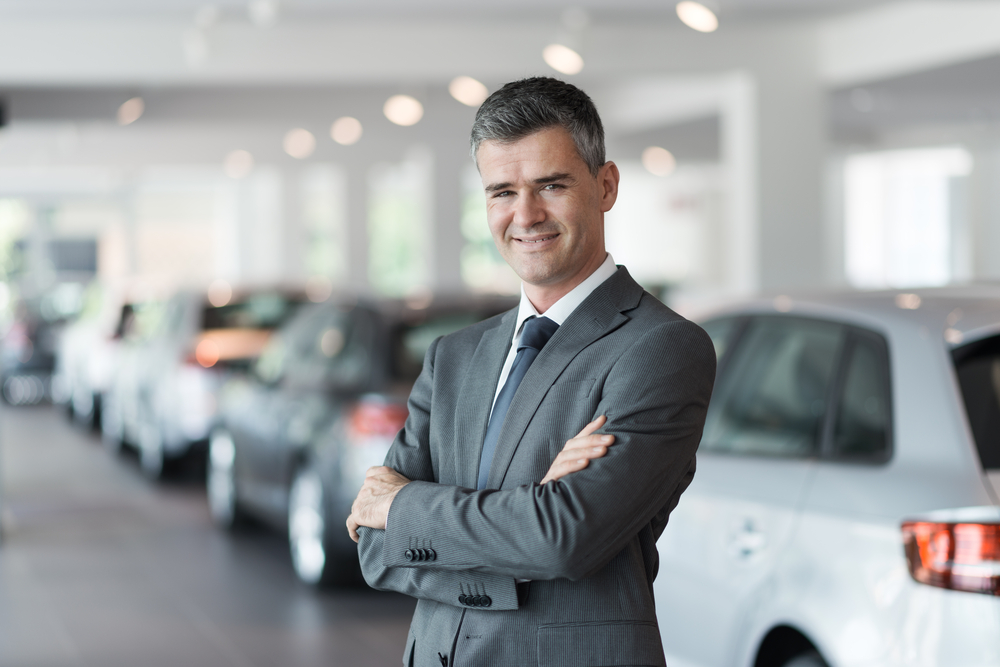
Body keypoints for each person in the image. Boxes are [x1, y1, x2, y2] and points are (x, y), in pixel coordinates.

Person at [347, 77, 716, 667]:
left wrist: (405, 508)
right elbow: (375, 552)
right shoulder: (453, 356)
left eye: (551, 185)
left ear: (606, 185)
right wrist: (526, 509)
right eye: (502, 192)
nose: (526, 215)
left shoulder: (662, 347)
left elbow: (562, 538)